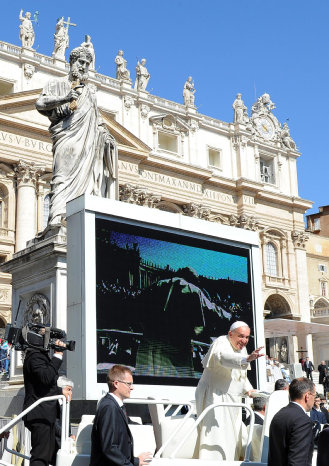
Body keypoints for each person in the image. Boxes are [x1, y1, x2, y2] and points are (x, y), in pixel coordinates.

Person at [36, 46, 118, 226]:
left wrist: (107, 138)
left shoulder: (89, 93)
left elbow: (97, 123)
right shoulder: (56, 84)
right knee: (61, 178)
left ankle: (80, 221)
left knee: (86, 185)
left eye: (87, 64)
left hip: (87, 147)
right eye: (81, 62)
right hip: (66, 140)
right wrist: (65, 98)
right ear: (72, 62)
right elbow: (40, 103)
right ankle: (57, 218)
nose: (83, 67)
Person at [195, 321, 264, 461]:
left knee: (235, 437)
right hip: (215, 397)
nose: (244, 341)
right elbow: (222, 358)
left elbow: (240, 376)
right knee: (218, 435)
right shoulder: (221, 342)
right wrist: (247, 358)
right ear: (230, 334)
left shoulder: (241, 349)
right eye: (241, 336)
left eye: (247, 337)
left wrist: (249, 389)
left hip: (233, 401)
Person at [90, 364, 152, 465]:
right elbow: (109, 448)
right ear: (116, 384)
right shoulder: (109, 407)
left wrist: (135, 461)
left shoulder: (113, 405)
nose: (132, 388)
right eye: (129, 384)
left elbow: (125, 422)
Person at [23, 334, 66, 466]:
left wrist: (60, 391)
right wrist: (58, 355)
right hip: (40, 415)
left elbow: (43, 386)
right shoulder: (35, 357)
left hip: (46, 414)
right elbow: (46, 377)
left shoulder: (38, 356)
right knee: (40, 457)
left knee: (49, 455)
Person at [268, 377, 315, 466]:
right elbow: (298, 461)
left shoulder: (279, 414)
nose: (314, 399)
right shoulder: (303, 420)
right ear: (307, 396)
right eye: (314, 395)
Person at [54, 376, 75, 457]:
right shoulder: (54, 403)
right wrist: (68, 435)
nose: (71, 393)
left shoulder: (65, 404)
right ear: (60, 390)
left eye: (71, 390)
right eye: (68, 390)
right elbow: (55, 424)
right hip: (55, 444)